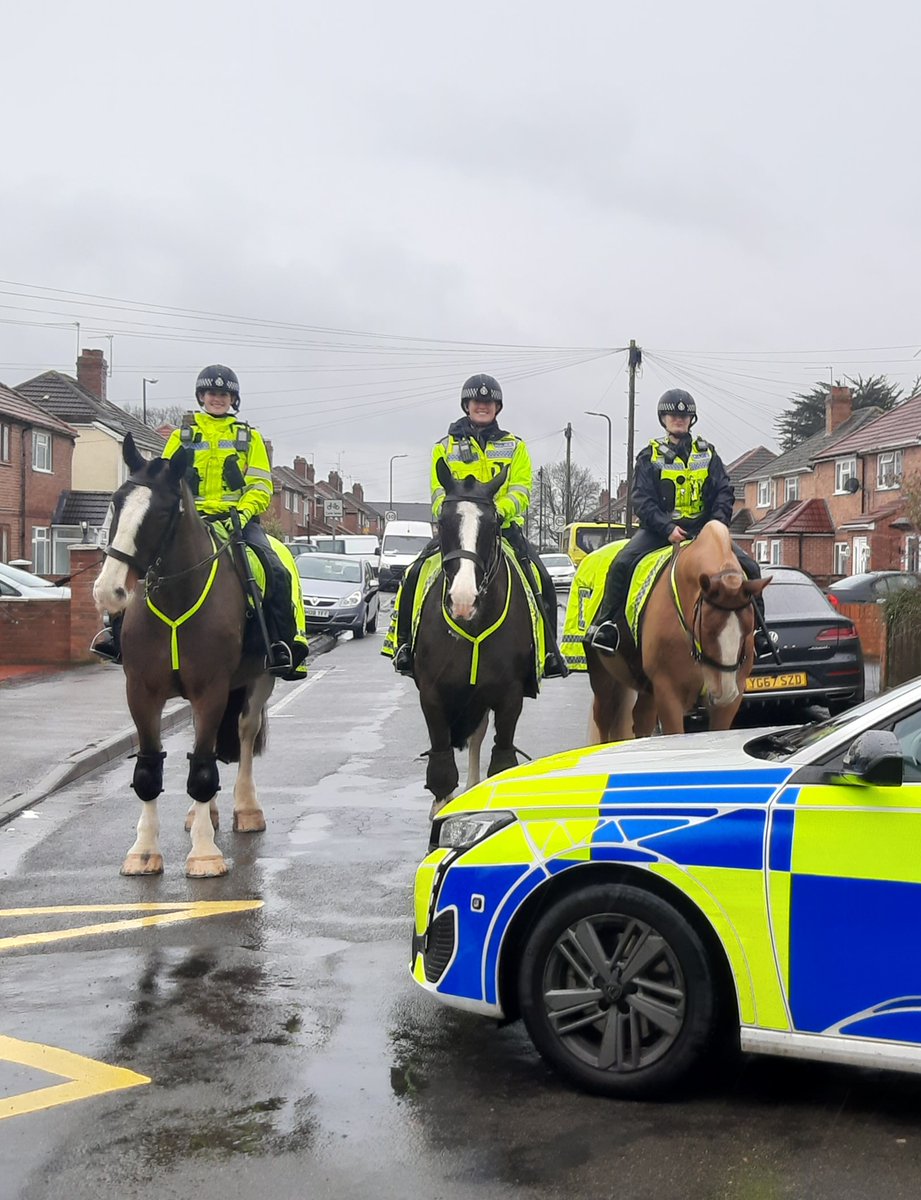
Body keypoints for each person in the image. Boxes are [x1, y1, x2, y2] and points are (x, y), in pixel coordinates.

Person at [91, 364, 308, 679]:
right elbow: (164, 483)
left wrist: (243, 513)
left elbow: (261, 487)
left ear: (233, 399)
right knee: (140, 560)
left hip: (237, 520)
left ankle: (282, 644)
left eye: (224, 394)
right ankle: (116, 635)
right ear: (201, 396)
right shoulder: (181, 436)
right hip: (188, 519)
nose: (217, 398)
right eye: (211, 393)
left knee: (273, 568)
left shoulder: (249, 438)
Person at [391, 373, 565, 678]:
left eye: (488, 402)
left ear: (497, 407)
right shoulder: (443, 448)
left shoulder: (515, 447)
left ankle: (549, 651)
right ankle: (404, 645)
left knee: (541, 578)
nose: (482, 406)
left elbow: (522, 489)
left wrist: (499, 512)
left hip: (502, 529)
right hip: (458, 532)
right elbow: (437, 493)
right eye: (477, 401)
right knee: (414, 573)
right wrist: (456, 513)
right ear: (466, 405)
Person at [586, 388, 770, 656]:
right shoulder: (649, 456)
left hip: (704, 531)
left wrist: (716, 526)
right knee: (622, 564)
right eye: (673, 415)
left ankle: (760, 633)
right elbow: (641, 499)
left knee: (751, 567)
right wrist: (667, 528)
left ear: (691, 420)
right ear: (663, 419)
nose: (679, 420)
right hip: (660, 531)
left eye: (685, 416)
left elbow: (724, 492)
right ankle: (606, 625)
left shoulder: (708, 454)